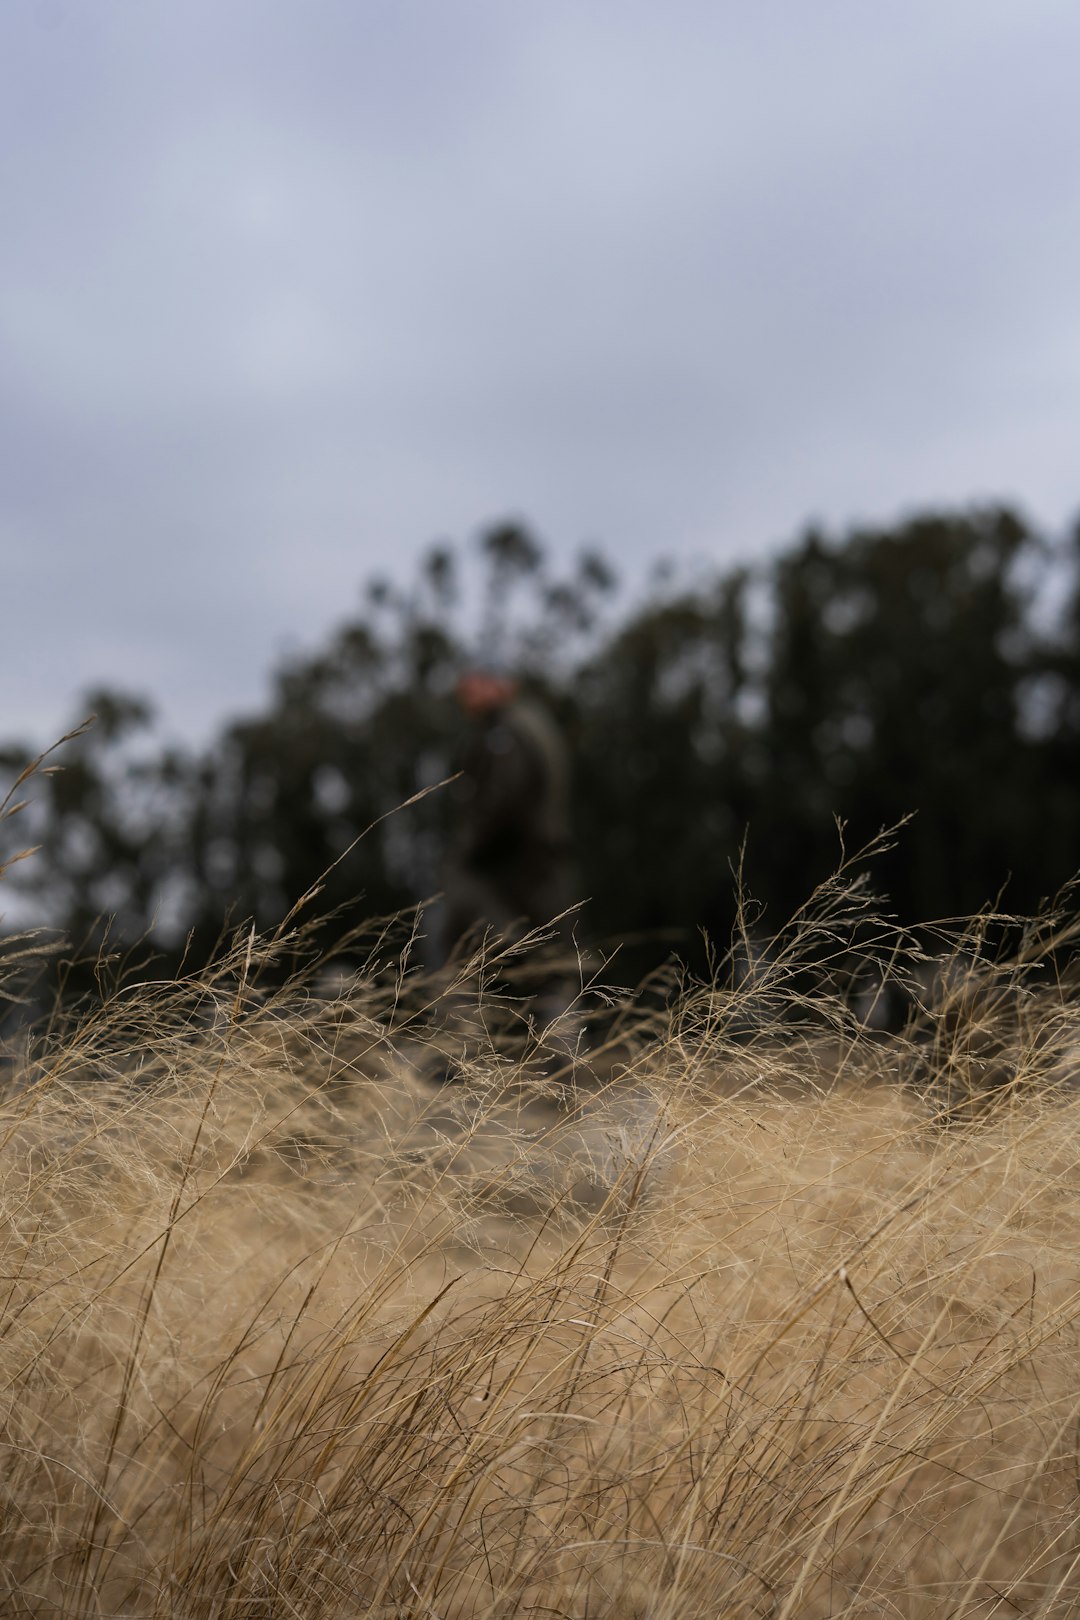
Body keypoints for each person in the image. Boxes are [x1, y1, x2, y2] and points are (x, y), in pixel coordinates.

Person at [435, 668, 581, 1072]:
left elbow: (503, 804)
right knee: (548, 970)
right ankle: (555, 1070)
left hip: (516, 877)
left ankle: (461, 1064)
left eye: (477, 682)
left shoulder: (506, 734)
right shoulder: (532, 725)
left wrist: (464, 852)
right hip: (540, 874)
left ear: (502, 685)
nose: (466, 693)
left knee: (467, 960)